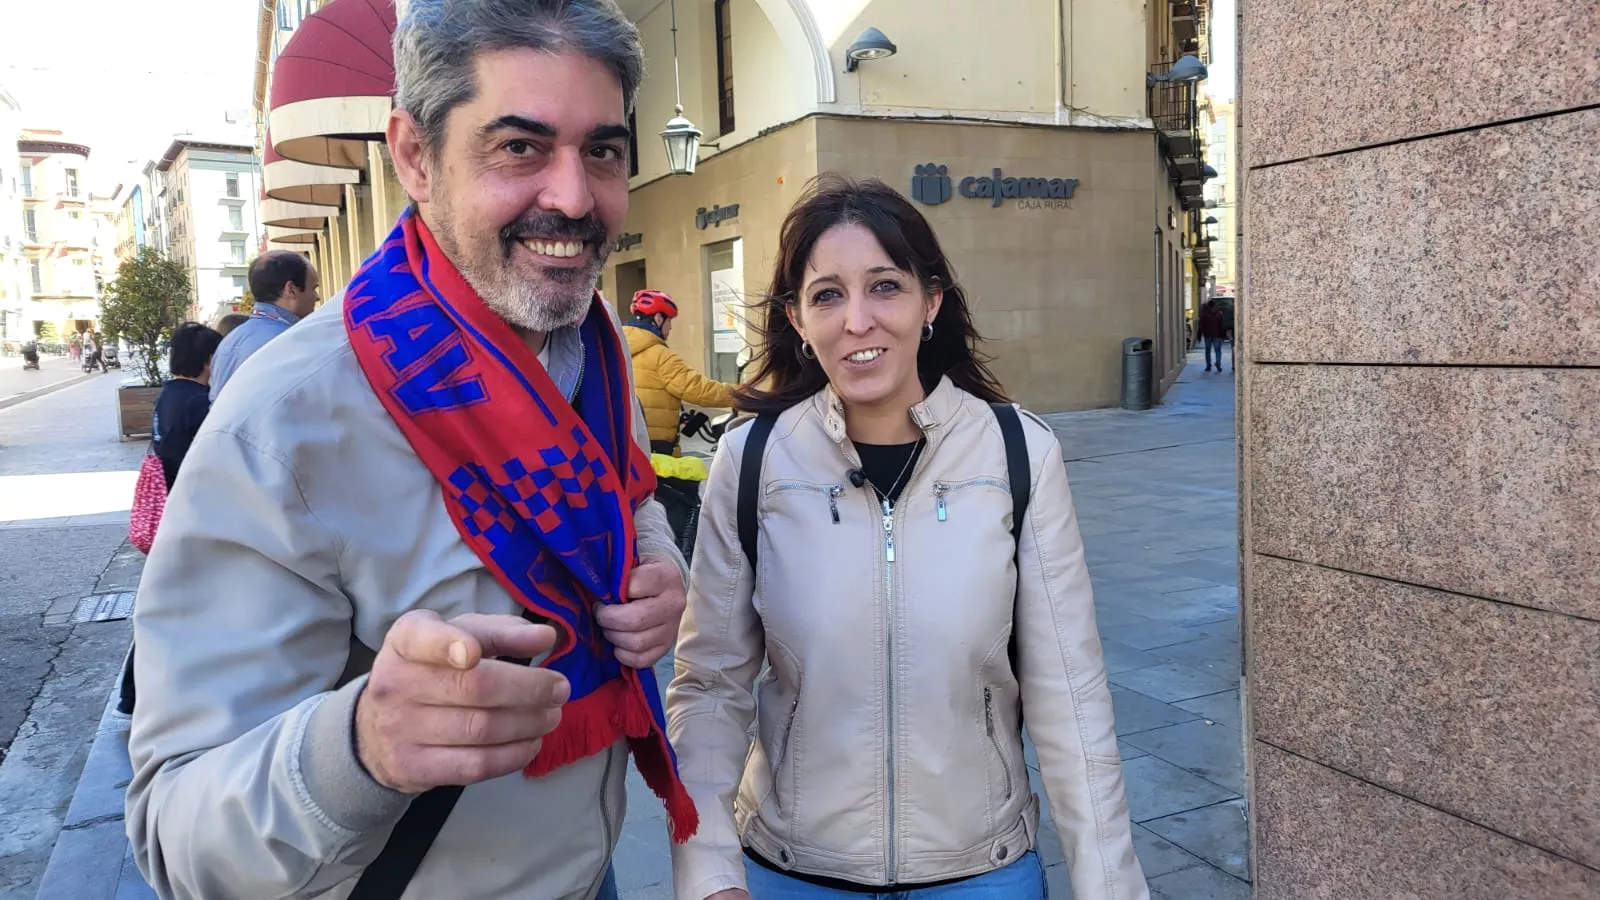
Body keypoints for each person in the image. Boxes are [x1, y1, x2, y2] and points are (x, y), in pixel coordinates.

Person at [126, 3, 695, 899]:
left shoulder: (602, 351)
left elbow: (628, 500)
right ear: (415, 155)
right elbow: (176, 834)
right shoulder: (282, 424)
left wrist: (655, 564)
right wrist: (362, 747)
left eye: (604, 151)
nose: (575, 198)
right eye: (519, 146)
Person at [667, 175, 1149, 900]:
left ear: (930, 303)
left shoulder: (1018, 453)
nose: (857, 320)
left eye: (884, 287)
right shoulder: (753, 459)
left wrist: (1110, 885)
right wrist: (708, 875)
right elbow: (710, 686)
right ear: (797, 319)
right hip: (793, 876)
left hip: (981, 873)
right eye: (827, 294)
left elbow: (1070, 697)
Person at [117, 322, 224, 718]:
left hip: (175, 519)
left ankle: (135, 695)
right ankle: (135, 694)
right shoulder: (200, 402)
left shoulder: (169, 396)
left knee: (168, 609)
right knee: (172, 613)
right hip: (193, 519)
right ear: (210, 360)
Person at [624, 289, 737, 454]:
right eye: (669, 321)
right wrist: (743, 394)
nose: (670, 328)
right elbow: (698, 389)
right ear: (658, 318)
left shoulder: (617, 347)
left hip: (629, 447)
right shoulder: (660, 355)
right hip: (656, 452)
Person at [208, 250, 321, 400]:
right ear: (291, 289)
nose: (317, 297)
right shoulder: (292, 343)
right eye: (313, 288)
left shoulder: (228, 344)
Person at [1198, 297, 1228, 373]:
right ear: (1215, 305)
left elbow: (1201, 325)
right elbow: (1222, 325)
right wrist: (1223, 335)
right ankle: (1218, 362)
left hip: (1207, 335)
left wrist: (1199, 335)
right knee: (1218, 350)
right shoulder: (1219, 314)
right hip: (1217, 335)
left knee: (1207, 350)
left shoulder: (1204, 314)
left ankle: (1208, 366)